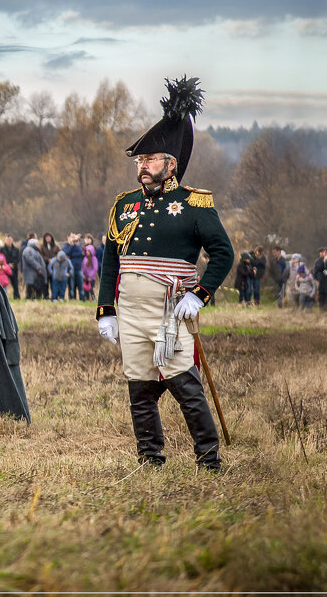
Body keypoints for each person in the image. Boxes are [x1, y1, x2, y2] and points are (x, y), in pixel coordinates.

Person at [96, 76, 232, 472]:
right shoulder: (123, 206)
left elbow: (223, 253)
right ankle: (150, 459)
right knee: (139, 388)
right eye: (140, 161)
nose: (143, 167)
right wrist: (106, 308)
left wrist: (200, 294)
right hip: (131, 310)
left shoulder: (195, 204)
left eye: (150, 160)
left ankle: (208, 460)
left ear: (170, 164)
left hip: (172, 309)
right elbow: (110, 261)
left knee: (185, 387)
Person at [62, 233, 85, 300]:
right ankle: (72, 298)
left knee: (80, 285)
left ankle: (82, 299)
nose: (73, 239)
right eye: (72, 237)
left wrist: (71, 256)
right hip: (70, 269)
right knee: (71, 285)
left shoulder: (78, 247)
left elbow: (80, 254)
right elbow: (66, 254)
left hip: (78, 268)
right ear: (68, 237)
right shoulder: (66, 247)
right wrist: (71, 247)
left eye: (74, 237)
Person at [0, 235, 22, 300]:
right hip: (4, 269)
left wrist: (13, 264)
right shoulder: (2, 249)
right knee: (3, 284)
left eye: (10, 240)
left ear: (12, 240)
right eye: (7, 240)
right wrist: (6, 264)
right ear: (5, 240)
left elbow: (18, 259)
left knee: (15, 283)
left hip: (13, 269)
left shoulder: (16, 249)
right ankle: (3, 298)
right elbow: (0, 258)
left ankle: (17, 297)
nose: (8, 241)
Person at [81, 235, 99, 301]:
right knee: (85, 289)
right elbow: (82, 267)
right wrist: (82, 274)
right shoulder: (85, 258)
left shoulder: (94, 259)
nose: (87, 252)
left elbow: (95, 268)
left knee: (90, 289)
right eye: (87, 251)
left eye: (89, 251)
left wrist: (90, 276)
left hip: (91, 277)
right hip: (85, 277)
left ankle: (94, 299)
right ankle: (87, 299)